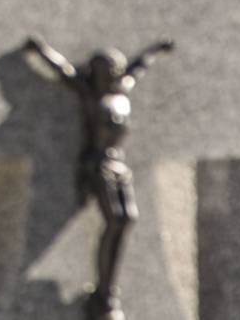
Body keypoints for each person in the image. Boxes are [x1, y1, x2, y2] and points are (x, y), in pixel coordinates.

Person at [21, 36, 175, 320]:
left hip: (117, 165)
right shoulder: (92, 95)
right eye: (104, 70)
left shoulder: (122, 91)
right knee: (118, 219)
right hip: (98, 165)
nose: (111, 74)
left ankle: (106, 290)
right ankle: (104, 295)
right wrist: (40, 49)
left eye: (114, 69)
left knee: (127, 219)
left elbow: (139, 67)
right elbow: (63, 70)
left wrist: (156, 49)